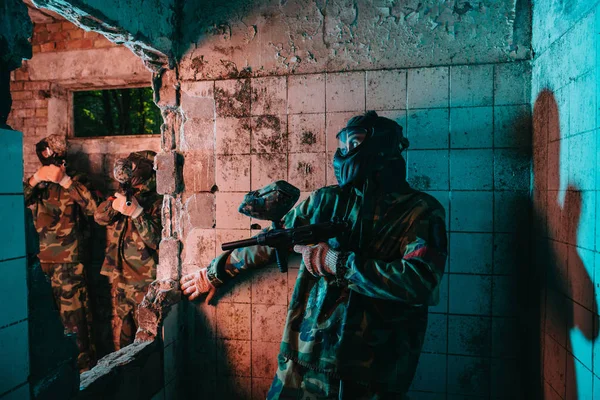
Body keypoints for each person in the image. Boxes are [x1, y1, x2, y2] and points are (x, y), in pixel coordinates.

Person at [181, 111, 448, 399]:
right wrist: (214, 273)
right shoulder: (327, 200)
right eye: (343, 144)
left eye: (354, 143)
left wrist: (339, 263)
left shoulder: (420, 211)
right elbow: (272, 241)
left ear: (381, 146)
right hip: (305, 357)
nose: (345, 151)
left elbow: (420, 283)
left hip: (373, 373)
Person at [24, 134, 97, 372]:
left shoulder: (78, 180)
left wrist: (65, 181)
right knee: (44, 324)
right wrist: (35, 179)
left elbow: (95, 210)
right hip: (41, 265)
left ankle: (85, 375)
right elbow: (13, 201)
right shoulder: (39, 184)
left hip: (69, 265)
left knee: (76, 326)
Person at [94, 151, 162, 350]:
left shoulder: (158, 198)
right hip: (122, 279)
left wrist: (137, 213)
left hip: (146, 281)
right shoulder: (126, 191)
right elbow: (100, 217)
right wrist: (116, 203)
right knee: (125, 342)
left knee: (148, 340)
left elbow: (156, 240)